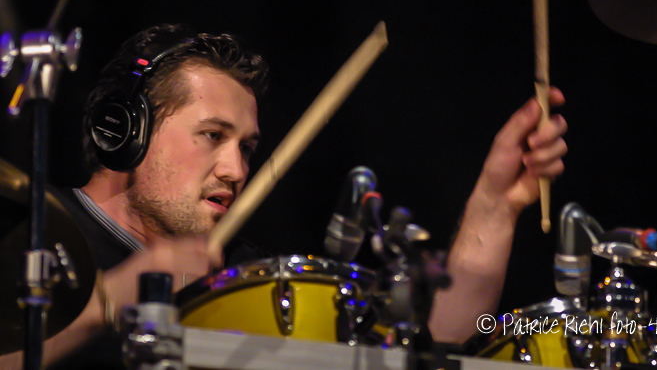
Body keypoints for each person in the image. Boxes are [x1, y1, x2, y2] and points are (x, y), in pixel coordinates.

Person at [0, 23, 567, 369]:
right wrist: (109, 300)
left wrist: (496, 204)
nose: (236, 169)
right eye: (212, 136)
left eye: (247, 147)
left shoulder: (242, 277)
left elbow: (429, 344)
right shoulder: (29, 230)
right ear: (124, 131)